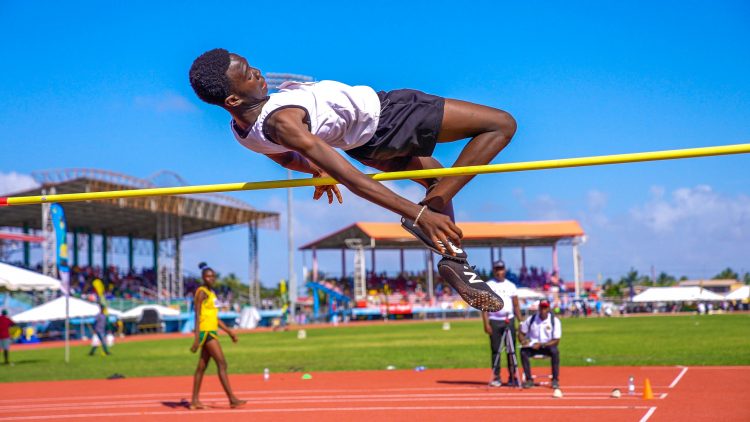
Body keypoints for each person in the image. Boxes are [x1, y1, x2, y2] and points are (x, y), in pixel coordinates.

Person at [189, 49, 517, 312]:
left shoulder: (243, 132)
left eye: (251, 66)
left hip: (365, 144)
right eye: (248, 75)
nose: (258, 73)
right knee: (500, 124)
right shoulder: (282, 120)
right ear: (232, 99)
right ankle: (432, 217)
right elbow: (352, 179)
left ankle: (455, 260)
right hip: (389, 115)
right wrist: (417, 214)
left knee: (438, 179)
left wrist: (316, 171)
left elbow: (286, 157)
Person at [190, 263, 246, 410]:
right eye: (208, 276)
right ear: (203, 277)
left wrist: (229, 332)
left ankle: (194, 401)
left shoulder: (212, 293)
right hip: (206, 332)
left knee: (202, 367)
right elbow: (197, 314)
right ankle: (232, 399)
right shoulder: (201, 292)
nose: (211, 278)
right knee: (222, 364)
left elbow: (215, 318)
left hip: (211, 330)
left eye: (213, 276)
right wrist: (196, 338)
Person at [481, 260, 522, 387]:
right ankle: (497, 377)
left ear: (504, 270)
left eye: (501, 269)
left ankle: (512, 376)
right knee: (495, 350)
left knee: (511, 350)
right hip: (494, 321)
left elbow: (516, 305)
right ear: (494, 271)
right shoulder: (488, 285)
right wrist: (486, 324)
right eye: (497, 269)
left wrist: (521, 322)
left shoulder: (511, 286)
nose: (499, 272)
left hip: (508, 321)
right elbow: (484, 307)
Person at [518, 299, 561, 389]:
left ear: (549, 308)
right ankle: (529, 379)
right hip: (532, 346)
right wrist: (523, 341)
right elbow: (521, 333)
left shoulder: (554, 321)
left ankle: (555, 379)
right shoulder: (531, 319)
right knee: (523, 352)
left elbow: (556, 340)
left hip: (547, 346)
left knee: (555, 351)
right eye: (541, 307)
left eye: (545, 308)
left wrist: (542, 345)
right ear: (538, 308)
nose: (543, 310)